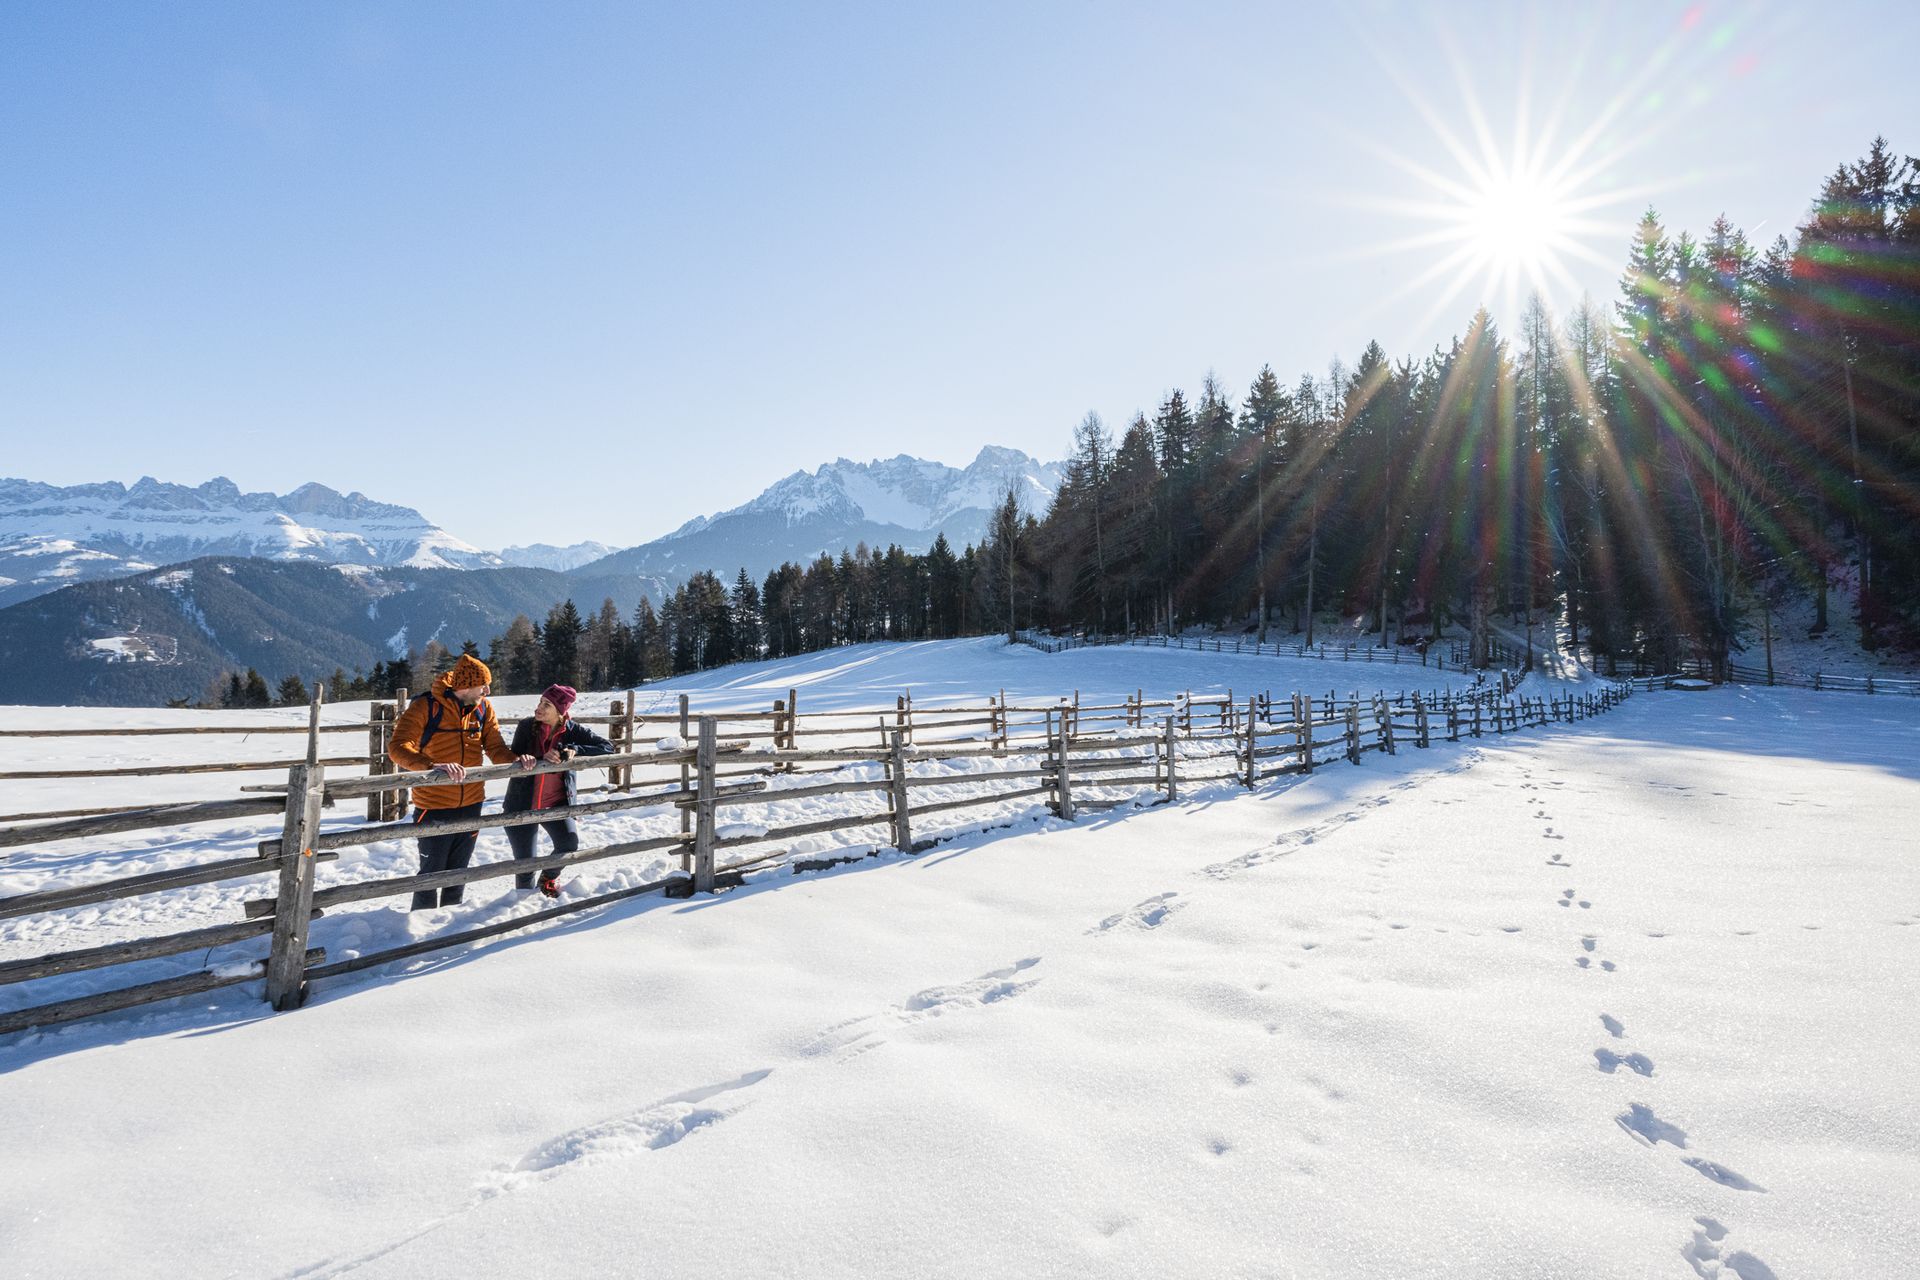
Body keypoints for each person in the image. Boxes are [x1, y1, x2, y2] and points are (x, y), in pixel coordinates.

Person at [387, 654, 533, 911]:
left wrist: (517, 761)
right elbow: (398, 748)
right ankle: (419, 930)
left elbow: (495, 747)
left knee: (458, 872)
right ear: (465, 687)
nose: (487, 691)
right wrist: (432, 766)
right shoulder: (426, 707)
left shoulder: (483, 708)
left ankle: (449, 927)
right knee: (431, 874)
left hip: (472, 803)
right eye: (483, 686)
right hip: (433, 805)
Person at [503, 684, 613, 897]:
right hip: (521, 804)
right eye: (540, 702)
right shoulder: (527, 726)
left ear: (560, 711)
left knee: (568, 843)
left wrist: (575, 750)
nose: (539, 708)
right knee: (526, 865)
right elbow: (513, 756)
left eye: (547, 705)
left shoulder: (572, 730)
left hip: (555, 803)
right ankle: (524, 905)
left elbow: (607, 746)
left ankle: (548, 878)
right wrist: (523, 759)